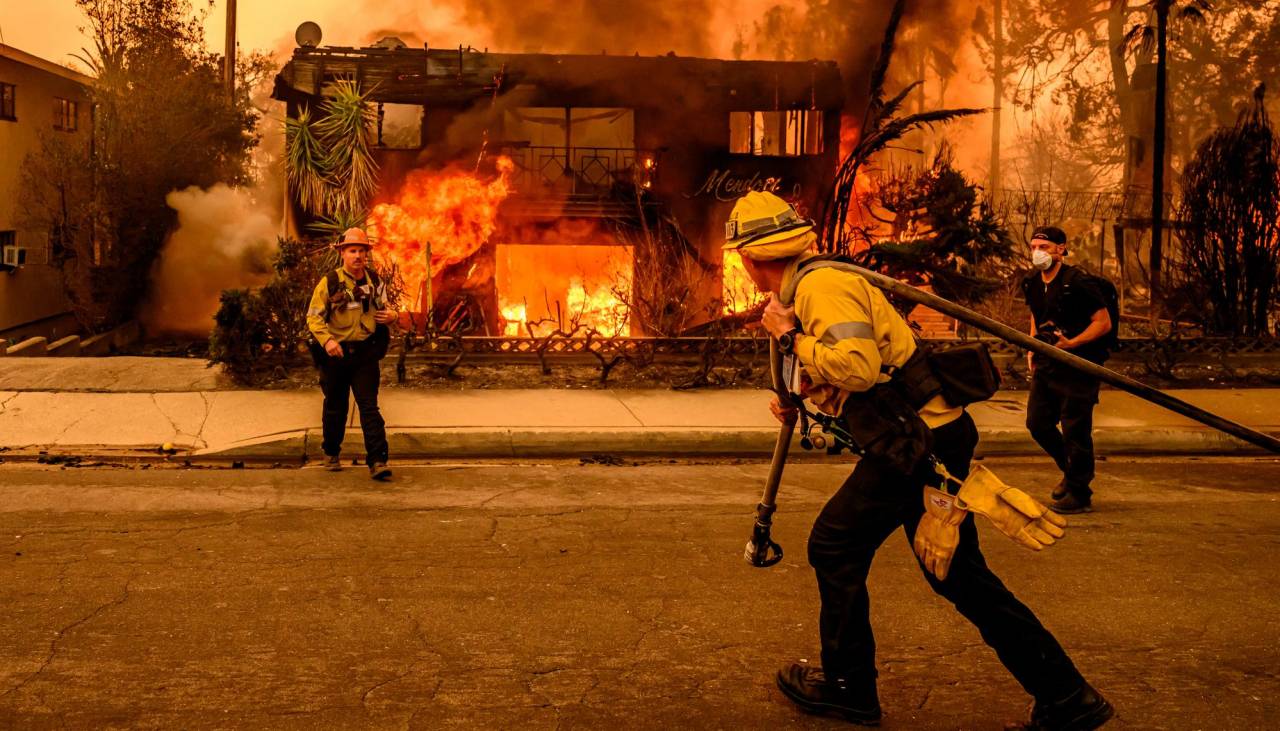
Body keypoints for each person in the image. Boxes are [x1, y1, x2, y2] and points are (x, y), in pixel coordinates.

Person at [726, 191, 1112, 729]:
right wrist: (806, 387)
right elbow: (863, 367)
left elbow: (857, 368)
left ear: (750, 257)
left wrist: (789, 336)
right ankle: (1067, 696)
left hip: (917, 445)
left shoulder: (820, 287)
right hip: (928, 437)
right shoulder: (814, 284)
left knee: (834, 544)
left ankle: (848, 686)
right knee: (956, 574)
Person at [1020, 226, 1113, 514]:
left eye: (1044, 247)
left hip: (1079, 365)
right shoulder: (1033, 282)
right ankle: (1072, 473)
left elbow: (1103, 322)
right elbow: (1037, 317)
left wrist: (1072, 343)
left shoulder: (1079, 283)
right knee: (1038, 424)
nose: (1038, 252)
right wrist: (1032, 347)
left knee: (1075, 428)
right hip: (1047, 364)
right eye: (1034, 246)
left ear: (1061, 249)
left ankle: (1079, 492)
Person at [306, 227, 397, 481]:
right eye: (352, 250)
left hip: (365, 354)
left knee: (369, 407)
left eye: (362, 251)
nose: (358, 255)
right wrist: (327, 342)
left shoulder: (375, 282)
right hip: (336, 355)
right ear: (342, 254)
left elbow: (386, 309)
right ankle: (332, 452)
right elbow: (313, 318)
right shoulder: (330, 282)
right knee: (335, 406)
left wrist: (392, 316)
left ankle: (378, 461)